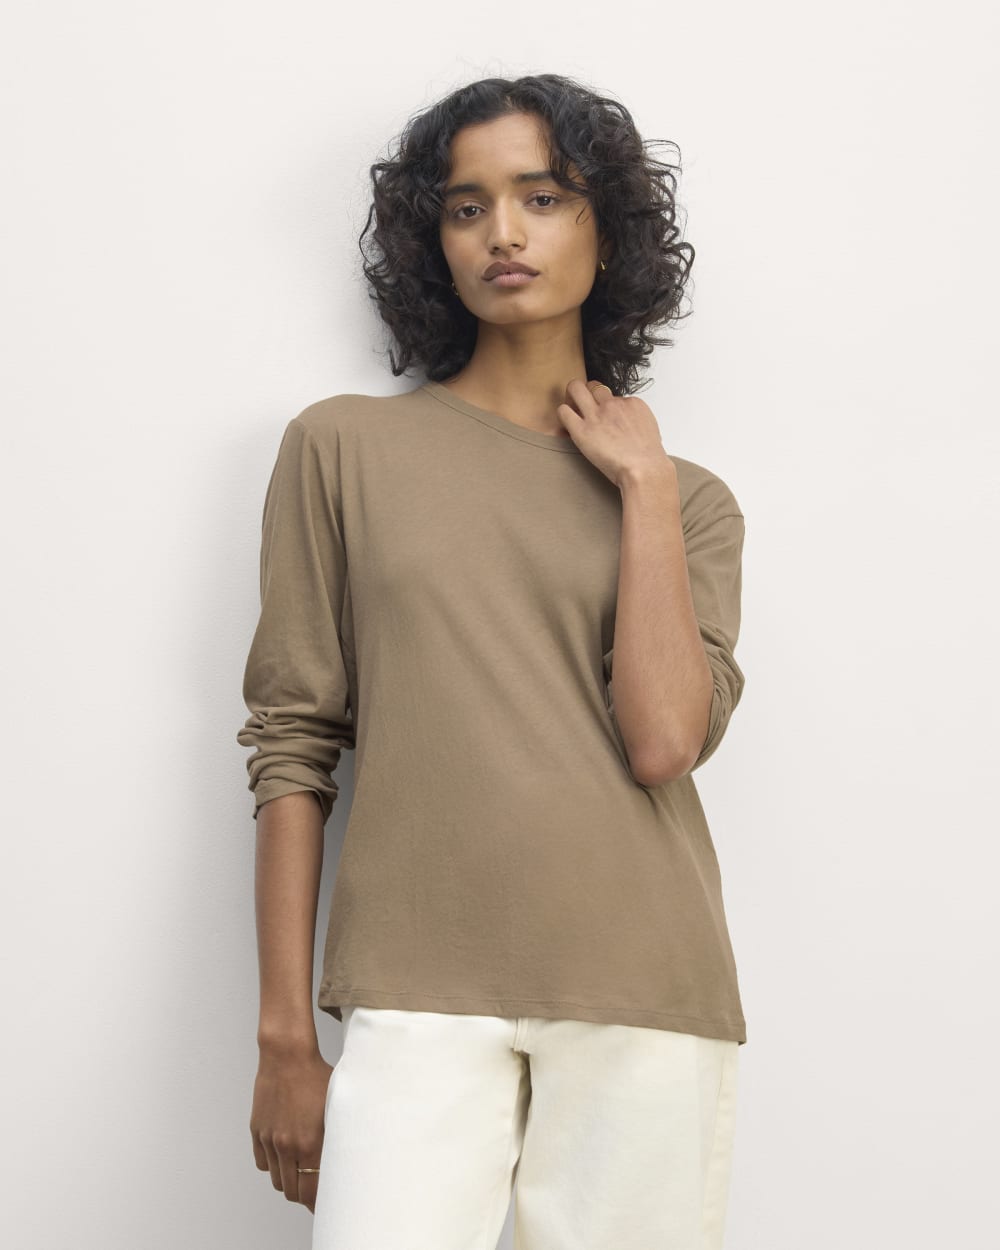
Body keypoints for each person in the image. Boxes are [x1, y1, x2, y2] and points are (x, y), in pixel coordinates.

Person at [237, 72, 749, 1250]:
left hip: (641, 986)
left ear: (607, 231)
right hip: (413, 985)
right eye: (466, 207)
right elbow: (294, 738)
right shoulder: (342, 448)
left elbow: (664, 740)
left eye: (542, 197)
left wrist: (644, 488)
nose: (502, 232)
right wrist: (284, 1034)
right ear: (436, 240)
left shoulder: (690, 502)